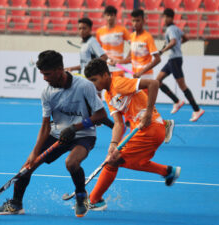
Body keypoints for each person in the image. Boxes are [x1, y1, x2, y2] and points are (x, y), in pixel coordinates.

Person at [0, 50, 108, 218]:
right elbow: (45, 126)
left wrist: (75, 128)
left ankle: (81, 195)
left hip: (84, 134)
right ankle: (16, 204)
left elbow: (101, 115)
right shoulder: (47, 93)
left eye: (47, 74)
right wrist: (34, 154)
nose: (44, 78)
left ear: (59, 69)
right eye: (42, 74)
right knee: (27, 167)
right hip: (57, 134)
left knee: (71, 163)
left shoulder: (84, 86)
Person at [84, 58, 181, 210]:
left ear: (105, 75)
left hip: (151, 129)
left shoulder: (118, 83)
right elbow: (118, 123)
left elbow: (153, 83)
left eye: (95, 80)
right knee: (136, 162)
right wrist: (113, 144)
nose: (94, 85)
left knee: (113, 161)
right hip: (141, 131)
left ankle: (94, 200)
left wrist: (149, 113)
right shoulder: (109, 95)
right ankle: (168, 172)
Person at [109, 9, 174, 143]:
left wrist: (142, 71)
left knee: (146, 107)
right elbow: (129, 59)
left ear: (143, 21)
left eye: (138, 20)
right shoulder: (132, 37)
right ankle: (163, 124)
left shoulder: (147, 37)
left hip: (147, 79)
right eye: (133, 20)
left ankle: (164, 125)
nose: (135, 23)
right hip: (135, 78)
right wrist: (117, 62)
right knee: (140, 106)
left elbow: (157, 59)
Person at [65, 17, 114, 129]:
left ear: (90, 29)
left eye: (84, 28)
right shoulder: (84, 43)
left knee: (92, 110)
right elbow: (85, 64)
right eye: (80, 28)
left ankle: (115, 127)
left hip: (90, 81)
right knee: (93, 110)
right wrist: (71, 68)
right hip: (84, 79)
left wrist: (93, 72)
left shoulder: (92, 42)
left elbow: (103, 57)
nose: (81, 30)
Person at [157, 8, 204, 122]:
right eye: (163, 17)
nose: (164, 19)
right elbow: (186, 38)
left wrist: (162, 50)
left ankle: (197, 109)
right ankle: (177, 102)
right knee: (157, 81)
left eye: (165, 17)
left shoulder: (171, 29)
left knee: (183, 86)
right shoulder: (177, 28)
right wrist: (177, 44)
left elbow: (173, 42)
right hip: (172, 60)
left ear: (170, 18)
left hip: (175, 60)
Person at [96, 5, 131, 77]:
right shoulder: (100, 31)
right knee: (106, 88)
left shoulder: (122, 30)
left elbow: (133, 45)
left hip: (117, 67)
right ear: (105, 16)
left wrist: (126, 59)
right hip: (105, 67)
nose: (110, 18)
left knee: (118, 87)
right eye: (108, 15)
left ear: (115, 16)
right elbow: (97, 49)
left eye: (112, 15)